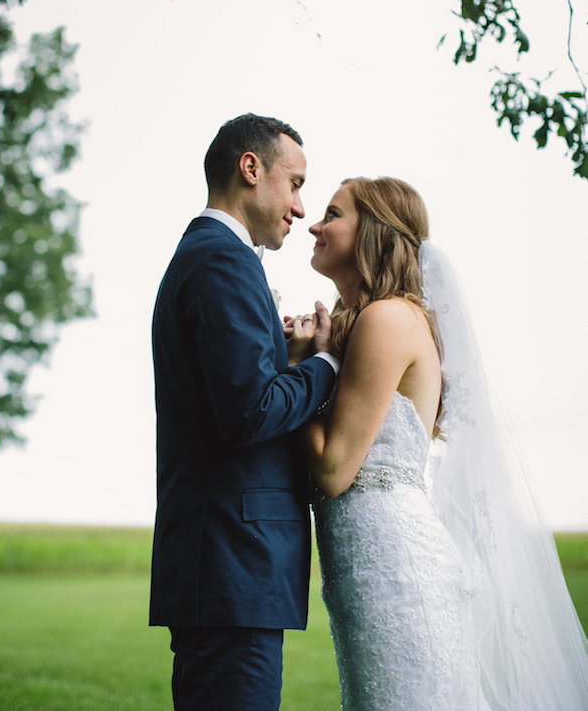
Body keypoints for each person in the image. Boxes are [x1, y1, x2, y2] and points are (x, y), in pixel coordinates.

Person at [297, 176, 588, 711]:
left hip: (395, 570)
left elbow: (335, 469)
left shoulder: (386, 318)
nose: (314, 224)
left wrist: (299, 368)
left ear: (373, 231)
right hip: (370, 567)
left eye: (332, 214)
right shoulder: (376, 319)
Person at [148, 113, 339, 711]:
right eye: (296, 183)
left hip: (226, 567)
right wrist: (327, 366)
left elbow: (236, 396)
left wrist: (284, 360)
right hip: (233, 564)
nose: (302, 208)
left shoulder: (208, 256)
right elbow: (249, 413)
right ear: (251, 169)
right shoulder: (223, 260)